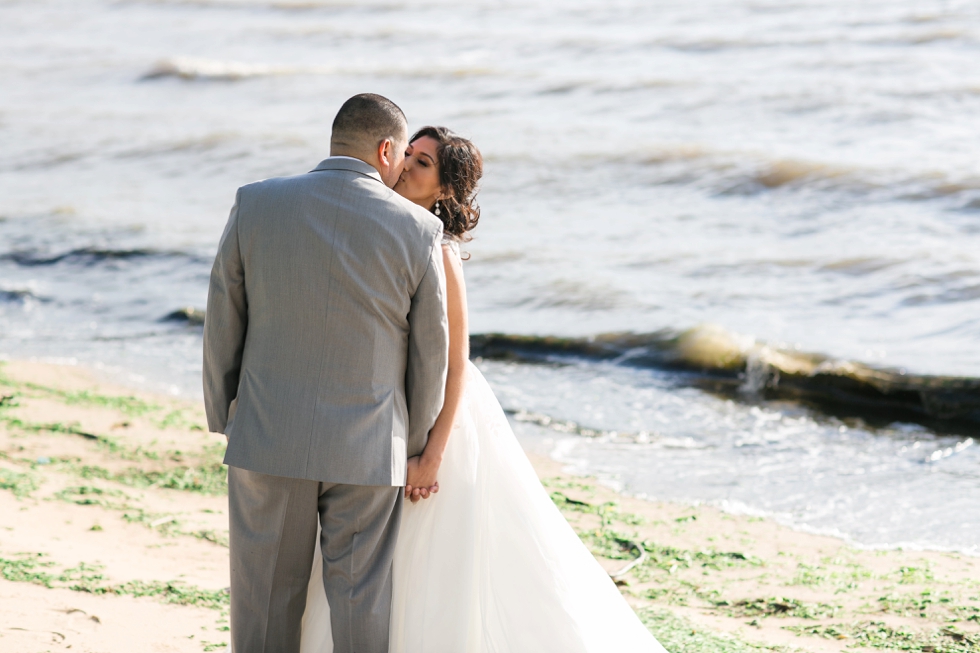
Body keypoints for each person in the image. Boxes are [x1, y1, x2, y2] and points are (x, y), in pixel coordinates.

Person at [298, 126, 669, 652]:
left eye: (423, 163)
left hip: (438, 423)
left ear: (445, 190)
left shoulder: (439, 249)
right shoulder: (385, 227)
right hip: (387, 416)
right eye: (409, 153)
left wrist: (433, 454)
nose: (406, 166)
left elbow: (456, 362)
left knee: (436, 562)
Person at [203, 93, 449, 653]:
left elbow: (223, 320)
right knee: (362, 605)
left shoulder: (256, 203)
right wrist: (410, 446)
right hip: (368, 450)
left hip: (267, 436)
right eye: (401, 155)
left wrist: (226, 415)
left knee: (263, 604)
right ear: (386, 149)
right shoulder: (418, 231)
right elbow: (429, 357)